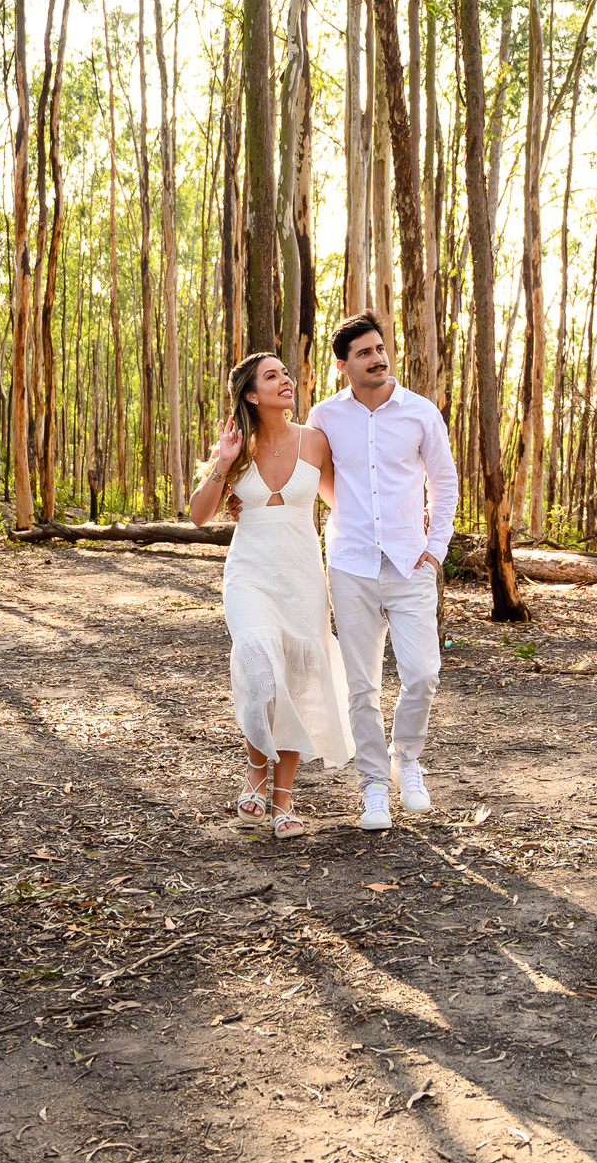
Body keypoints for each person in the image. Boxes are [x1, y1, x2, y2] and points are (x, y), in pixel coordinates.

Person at [189, 351, 353, 838]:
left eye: (285, 373)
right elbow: (199, 516)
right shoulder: (236, 447)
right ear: (251, 394)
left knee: (298, 683)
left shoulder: (316, 442)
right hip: (250, 575)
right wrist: (221, 465)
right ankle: (254, 773)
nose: (286, 380)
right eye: (272, 376)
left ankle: (282, 799)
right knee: (260, 666)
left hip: (302, 575)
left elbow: (342, 500)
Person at [307, 311, 458, 832]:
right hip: (349, 562)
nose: (377, 358)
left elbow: (444, 484)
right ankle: (373, 784)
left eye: (379, 348)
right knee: (360, 685)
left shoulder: (420, 413)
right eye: (364, 353)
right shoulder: (325, 416)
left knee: (423, 673)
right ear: (344, 366)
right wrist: (351, 514)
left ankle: (407, 759)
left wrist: (435, 549)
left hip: (411, 563)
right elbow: (324, 480)